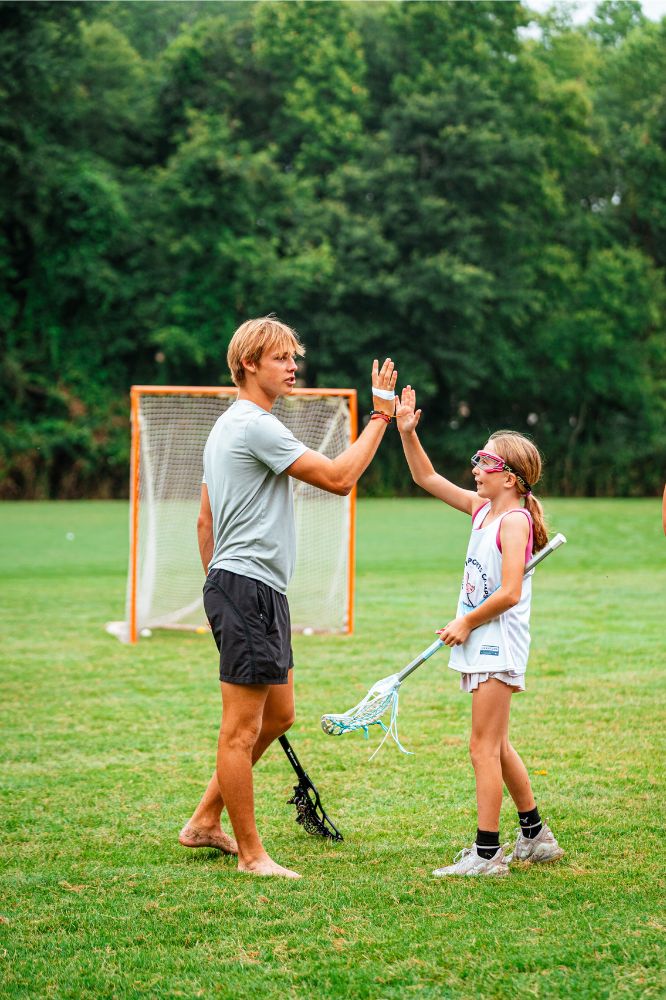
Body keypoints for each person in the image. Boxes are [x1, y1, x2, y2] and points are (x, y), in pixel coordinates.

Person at [179, 316, 398, 878]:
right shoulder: (255, 426)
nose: (293, 367)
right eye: (282, 358)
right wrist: (381, 418)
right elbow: (339, 477)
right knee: (240, 730)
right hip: (245, 586)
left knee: (279, 714)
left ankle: (206, 819)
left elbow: (205, 522)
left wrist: (215, 589)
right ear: (249, 363)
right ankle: (253, 857)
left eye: (293, 358)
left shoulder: (229, 426)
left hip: (250, 588)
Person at [396, 385, 564, 877]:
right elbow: (425, 476)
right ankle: (535, 835)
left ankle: (487, 855)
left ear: (509, 477)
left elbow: (510, 591)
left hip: (495, 641)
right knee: (498, 744)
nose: (474, 466)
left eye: (483, 460)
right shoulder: (481, 509)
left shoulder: (512, 521)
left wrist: (465, 621)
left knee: (481, 747)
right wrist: (408, 433)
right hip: (480, 638)